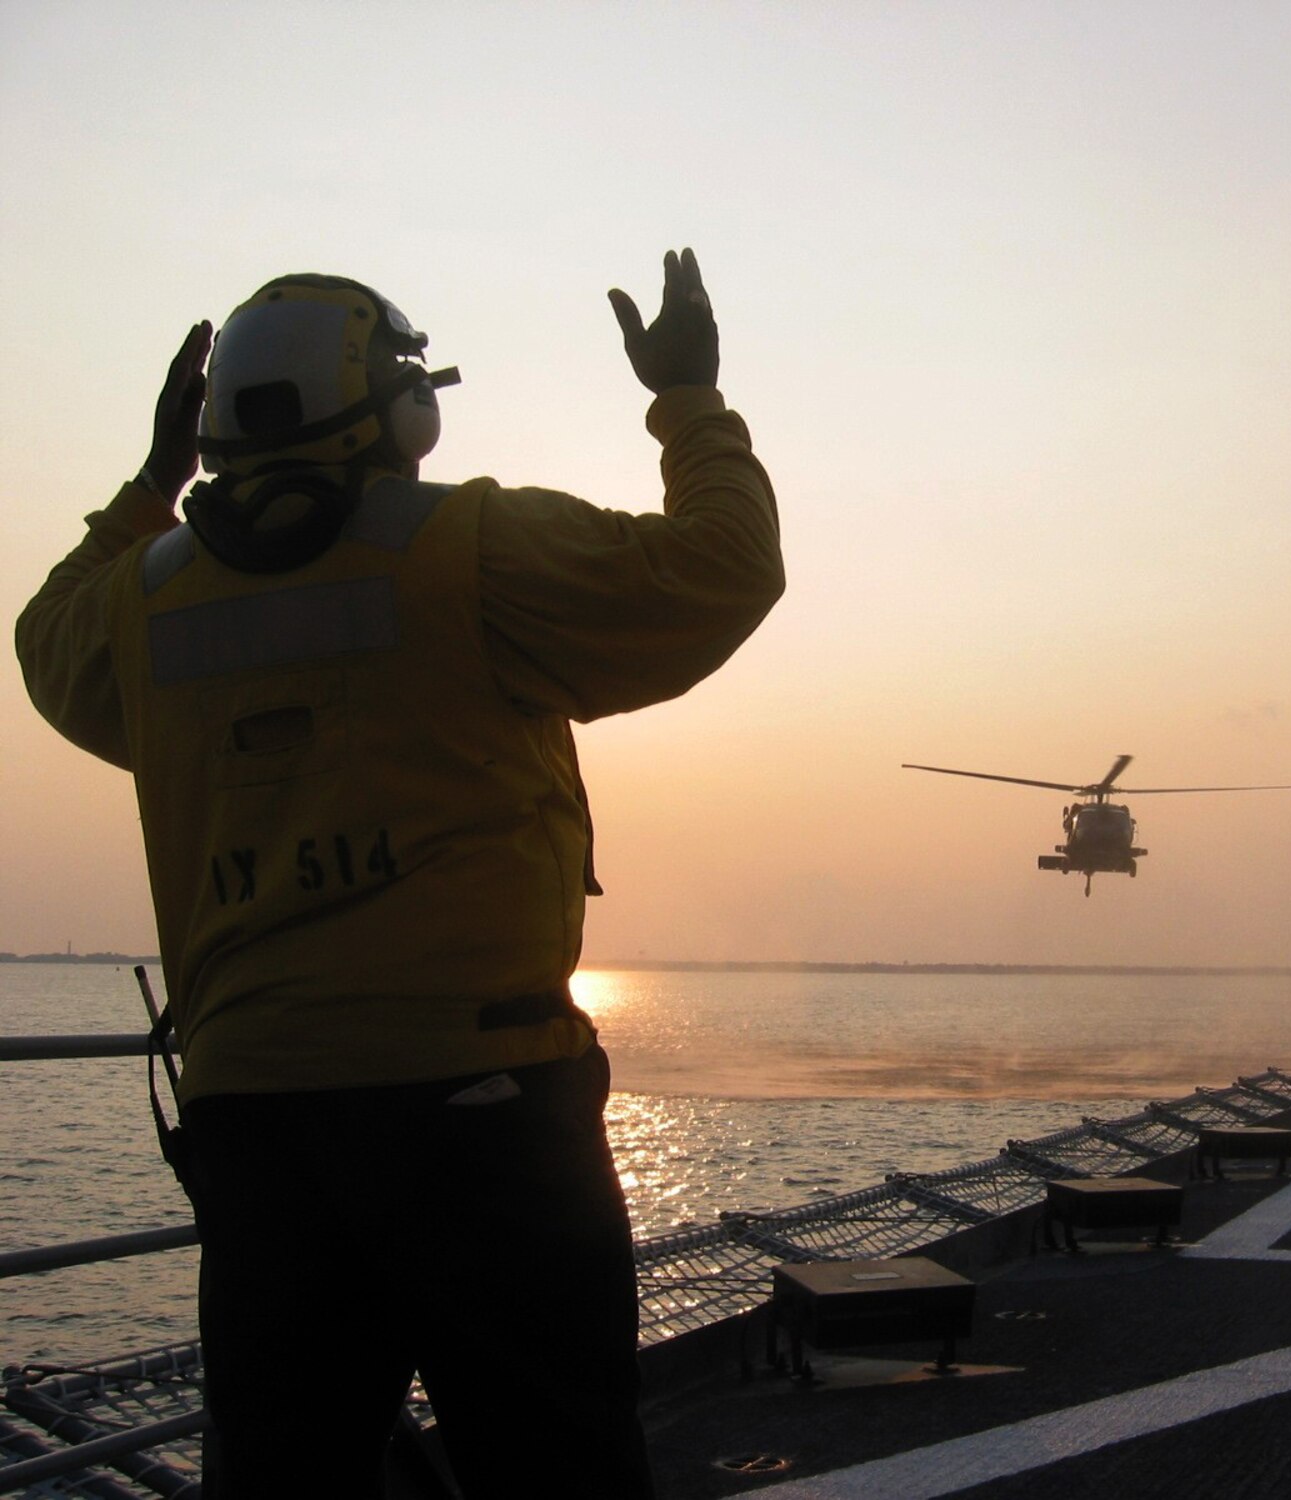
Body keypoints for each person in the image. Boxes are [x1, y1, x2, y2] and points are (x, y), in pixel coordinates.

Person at [15, 248, 783, 1497]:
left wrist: (154, 485)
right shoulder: (469, 550)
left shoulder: (139, 612)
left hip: (257, 1137)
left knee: (286, 1474)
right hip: (485, 1124)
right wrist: (688, 400)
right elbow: (721, 569)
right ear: (402, 407)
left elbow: (45, 640)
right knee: (556, 1468)